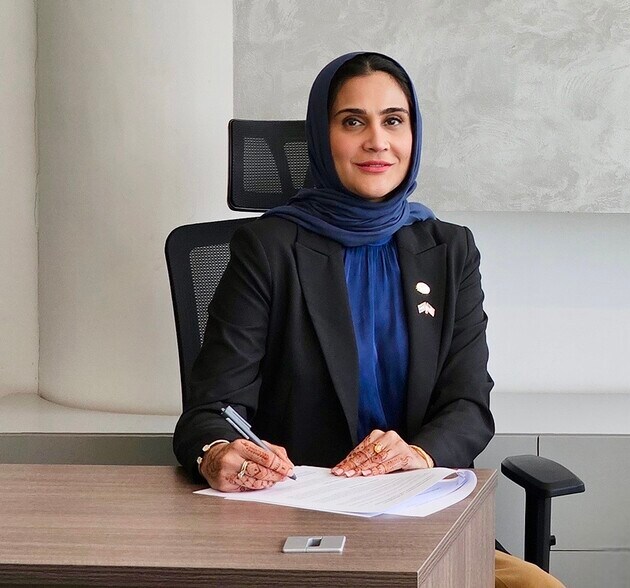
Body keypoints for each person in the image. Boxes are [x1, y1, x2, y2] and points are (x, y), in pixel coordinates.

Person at [173, 51, 564, 588]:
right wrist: (219, 451)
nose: (378, 141)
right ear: (321, 137)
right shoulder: (268, 249)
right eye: (353, 122)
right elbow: (211, 411)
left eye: (393, 120)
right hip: (293, 523)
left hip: (420, 520)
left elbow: (468, 404)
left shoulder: (449, 250)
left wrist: (419, 453)